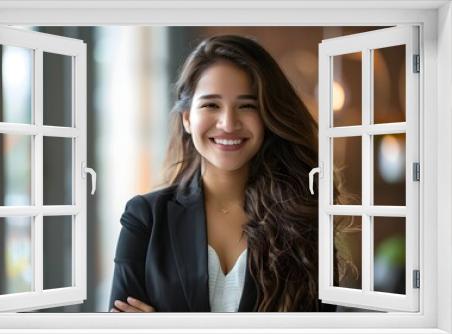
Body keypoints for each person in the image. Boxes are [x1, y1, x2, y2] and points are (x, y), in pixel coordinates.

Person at [108, 35, 341, 312]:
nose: (228, 123)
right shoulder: (145, 218)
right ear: (187, 118)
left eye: (247, 105)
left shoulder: (305, 218)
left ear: (267, 115)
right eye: (211, 105)